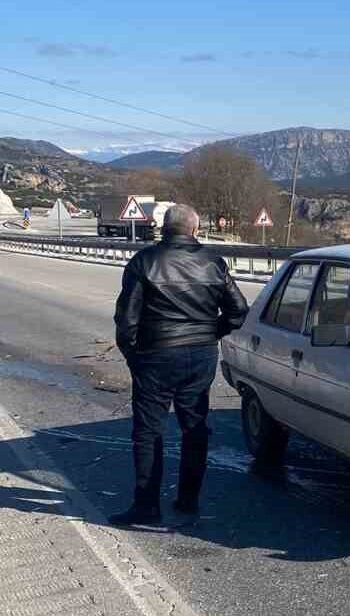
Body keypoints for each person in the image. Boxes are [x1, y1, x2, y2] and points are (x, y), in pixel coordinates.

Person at [110, 204, 248, 525]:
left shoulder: (144, 262)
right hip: (201, 353)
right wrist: (213, 331)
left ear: (164, 228)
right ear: (195, 230)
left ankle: (146, 506)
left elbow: (126, 320)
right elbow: (239, 310)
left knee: (147, 431)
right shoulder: (214, 263)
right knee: (195, 426)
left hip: (155, 354)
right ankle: (188, 499)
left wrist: (133, 356)